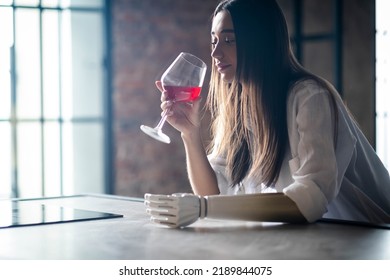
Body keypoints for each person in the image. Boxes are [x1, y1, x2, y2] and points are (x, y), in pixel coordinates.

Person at [150, 0, 390, 226]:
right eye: (214, 41)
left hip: (370, 238)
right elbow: (213, 193)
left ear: (260, 42)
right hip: (308, 241)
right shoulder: (238, 105)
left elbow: (310, 200)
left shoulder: (310, 97)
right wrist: (190, 135)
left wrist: (202, 208)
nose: (215, 53)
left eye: (229, 40)